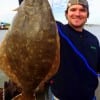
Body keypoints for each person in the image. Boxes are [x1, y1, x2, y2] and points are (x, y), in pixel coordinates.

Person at [48, 0, 100, 100]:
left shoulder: (93, 39)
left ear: (87, 15)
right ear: (66, 14)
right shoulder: (56, 31)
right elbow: (33, 14)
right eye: (73, 9)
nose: (77, 14)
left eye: (82, 10)